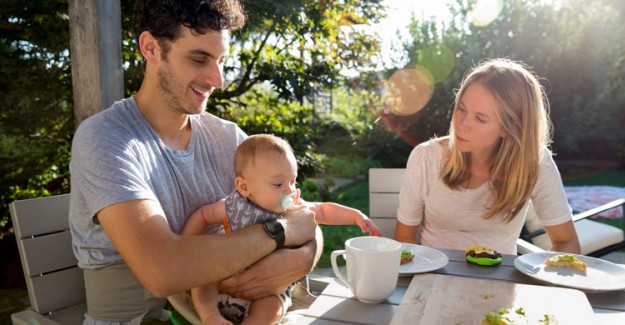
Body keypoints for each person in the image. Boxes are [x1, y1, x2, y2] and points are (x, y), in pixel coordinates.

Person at [68, 1, 320, 324]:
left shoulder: (227, 138)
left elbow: (303, 215)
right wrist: (279, 234)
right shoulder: (105, 138)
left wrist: (307, 254)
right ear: (151, 48)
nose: (218, 79)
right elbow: (162, 270)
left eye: (222, 61)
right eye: (199, 58)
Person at [181, 134, 381, 324]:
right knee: (202, 279)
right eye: (278, 183)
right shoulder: (232, 207)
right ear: (243, 187)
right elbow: (203, 215)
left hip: (269, 288)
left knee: (272, 308)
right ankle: (210, 316)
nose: (289, 189)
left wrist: (356, 216)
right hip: (227, 273)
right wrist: (186, 244)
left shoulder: (293, 206)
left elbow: (323, 211)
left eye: (292, 181)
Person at [394, 58, 581, 255]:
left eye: (480, 118)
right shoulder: (426, 157)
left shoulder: (535, 162)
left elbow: (567, 242)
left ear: (510, 128)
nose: (462, 123)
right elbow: (404, 238)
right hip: (432, 277)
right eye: (461, 109)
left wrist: (543, 280)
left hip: (501, 282)